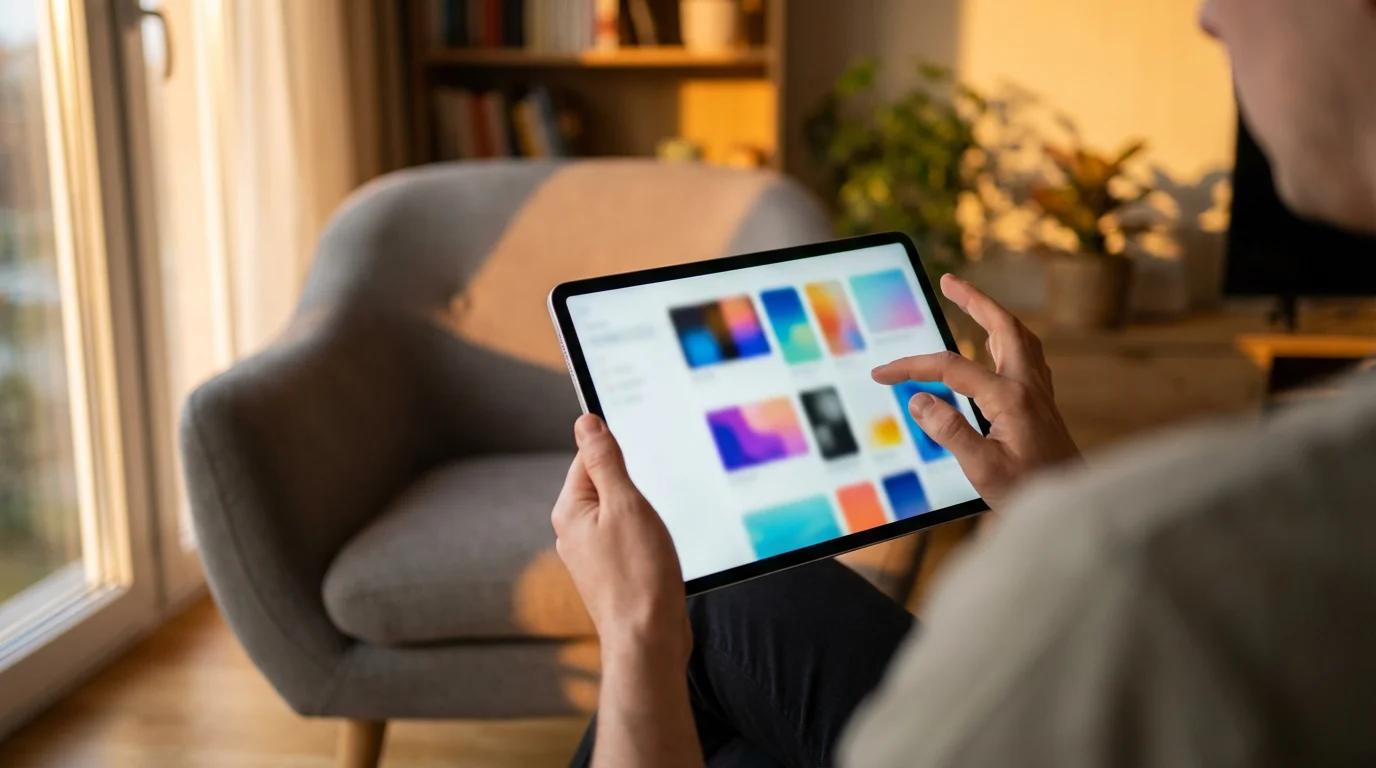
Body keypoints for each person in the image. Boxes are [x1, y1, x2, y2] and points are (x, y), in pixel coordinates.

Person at [551, 0, 1376, 764]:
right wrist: (1052, 494)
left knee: (693, 619)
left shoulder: (1134, 570)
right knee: (734, 627)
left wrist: (635, 635)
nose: (1207, 16)